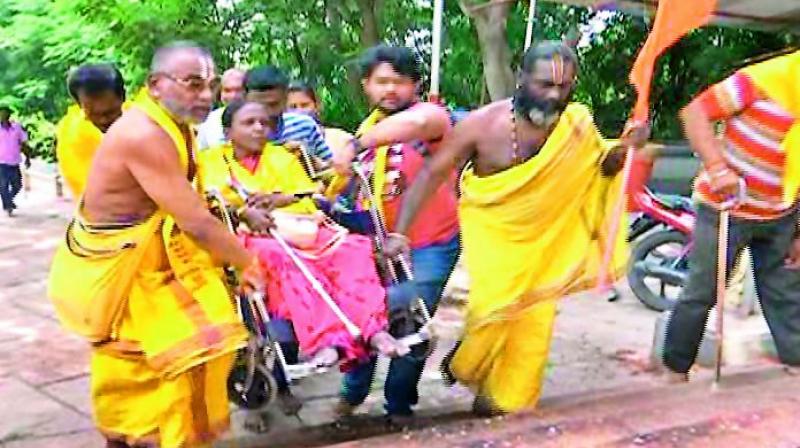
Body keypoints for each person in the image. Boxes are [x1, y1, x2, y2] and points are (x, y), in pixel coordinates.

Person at [385, 41, 649, 416]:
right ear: (521, 78)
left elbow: (601, 169)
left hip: (548, 240)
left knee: (533, 320)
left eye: (565, 86)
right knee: (489, 309)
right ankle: (466, 364)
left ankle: (503, 402)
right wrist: (401, 232)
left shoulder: (575, 124)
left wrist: (625, 148)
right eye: (545, 84)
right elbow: (431, 174)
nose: (555, 94)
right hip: (496, 235)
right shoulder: (481, 125)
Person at [47, 41, 263, 447]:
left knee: (179, 356)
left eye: (211, 85)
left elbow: (189, 197)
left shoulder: (171, 122)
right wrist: (249, 264)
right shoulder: (143, 132)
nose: (205, 95)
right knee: (180, 352)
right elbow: (195, 220)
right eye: (193, 83)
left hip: (149, 256)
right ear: (156, 84)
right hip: (122, 266)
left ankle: (158, 435)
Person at [198, 99, 408, 369]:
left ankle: (373, 329)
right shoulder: (210, 161)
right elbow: (209, 203)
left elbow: (309, 197)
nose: (259, 129)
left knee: (353, 247)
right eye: (249, 123)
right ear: (228, 132)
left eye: (264, 123)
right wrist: (243, 212)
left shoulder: (282, 157)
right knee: (281, 257)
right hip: (251, 236)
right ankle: (329, 340)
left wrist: (280, 200)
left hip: (299, 225)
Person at [336, 44, 461, 424]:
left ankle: (399, 406)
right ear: (366, 86)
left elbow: (417, 124)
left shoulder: (434, 118)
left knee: (410, 323)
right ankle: (352, 395)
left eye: (400, 82)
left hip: (429, 245)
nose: (390, 90)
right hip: (374, 246)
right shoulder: (366, 126)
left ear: (417, 86)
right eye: (381, 82)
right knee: (365, 321)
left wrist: (355, 144)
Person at [662, 50, 800, 382]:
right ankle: (675, 370)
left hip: (781, 213)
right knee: (703, 290)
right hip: (725, 207)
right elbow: (694, 113)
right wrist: (717, 167)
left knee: (787, 293)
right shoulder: (760, 79)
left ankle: (796, 367)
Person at [56, 63, 127, 197]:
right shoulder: (72, 135)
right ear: (78, 104)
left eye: (109, 113)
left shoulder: (145, 120)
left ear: (123, 97)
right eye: (93, 114)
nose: (103, 120)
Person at [244, 66, 333, 165]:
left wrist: (308, 159)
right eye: (259, 106)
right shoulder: (236, 135)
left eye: (273, 105)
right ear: (245, 100)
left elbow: (333, 170)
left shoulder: (304, 126)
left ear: (285, 99)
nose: (266, 113)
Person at [287, 81, 354, 160]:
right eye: (293, 107)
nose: (299, 111)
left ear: (317, 106)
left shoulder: (341, 139)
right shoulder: (280, 149)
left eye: (304, 105)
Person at [196, 68, 246, 149]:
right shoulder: (209, 121)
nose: (233, 96)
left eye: (238, 90)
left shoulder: (260, 119)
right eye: (227, 90)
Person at [0, 105, 30, 216]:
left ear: (9, 115)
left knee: (17, 185)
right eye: (1, 113)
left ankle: (9, 201)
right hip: (1, 163)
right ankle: (8, 206)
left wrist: (28, 158)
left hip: (14, 162)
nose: (3, 115)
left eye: (5, 113)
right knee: (3, 186)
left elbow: (24, 144)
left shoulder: (17, 128)